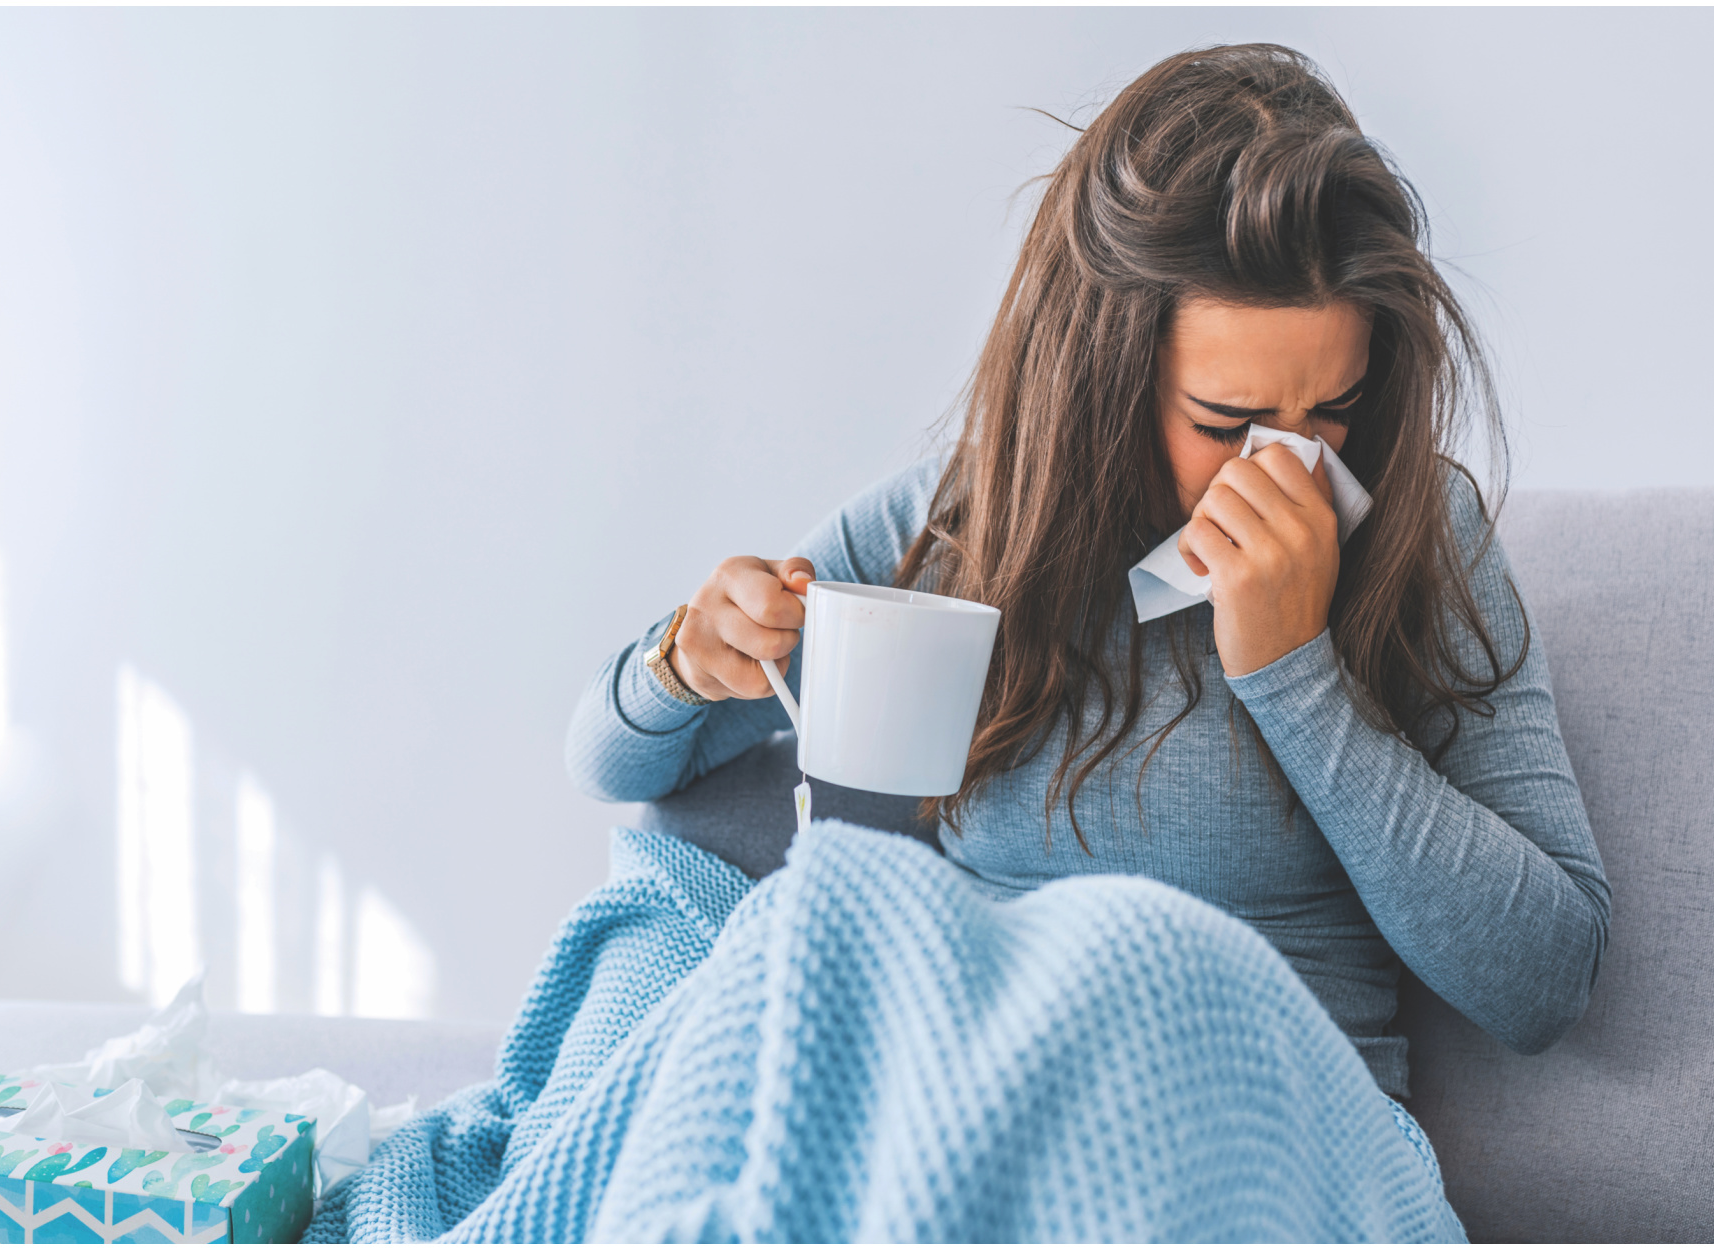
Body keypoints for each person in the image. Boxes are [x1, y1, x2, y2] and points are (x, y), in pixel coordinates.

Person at [566, 41, 1608, 1143]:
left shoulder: (1412, 532)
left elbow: (1543, 979)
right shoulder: (962, 524)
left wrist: (1295, 672)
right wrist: (682, 658)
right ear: (1102, 378)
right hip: (970, 1105)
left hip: (1265, 1131)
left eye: (1331, 411)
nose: (1285, 471)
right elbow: (613, 763)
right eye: (1224, 422)